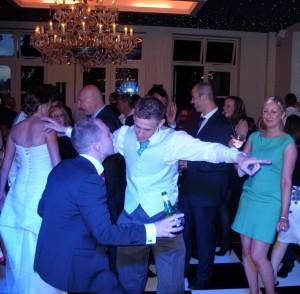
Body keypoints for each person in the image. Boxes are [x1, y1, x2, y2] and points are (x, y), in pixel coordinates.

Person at [42, 96, 270, 294]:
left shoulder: (173, 140)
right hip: (130, 218)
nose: (139, 133)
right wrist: (68, 131)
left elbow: (209, 150)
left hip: (166, 219)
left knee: (171, 285)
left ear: (161, 123)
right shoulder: (125, 134)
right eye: (137, 126)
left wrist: (238, 157)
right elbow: (98, 142)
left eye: (147, 128)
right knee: (128, 283)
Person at [34, 118, 184, 294]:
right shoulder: (91, 180)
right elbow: (105, 234)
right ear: (96, 145)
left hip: (49, 259)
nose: (113, 137)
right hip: (77, 264)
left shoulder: (63, 166)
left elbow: (42, 209)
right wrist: (154, 230)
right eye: (107, 134)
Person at [231, 96, 297, 294]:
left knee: (258, 256)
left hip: (270, 203)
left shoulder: (288, 143)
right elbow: (239, 170)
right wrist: (235, 150)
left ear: (282, 115)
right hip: (248, 197)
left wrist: (284, 214)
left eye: (274, 111)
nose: (269, 115)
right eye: (266, 111)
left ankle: (270, 291)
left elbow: (286, 181)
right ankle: (253, 291)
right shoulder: (254, 137)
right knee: (245, 252)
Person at [0, 87, 61, 293]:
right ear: (44, 105)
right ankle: (41, 286)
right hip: (41, 191)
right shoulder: (47, 128)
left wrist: (1, 192)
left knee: (20, 240)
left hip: (19, 191)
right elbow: (56, 164)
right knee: (39, 238)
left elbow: (6, 165)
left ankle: (26, 285)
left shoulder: (15, 130)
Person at [178, 83, 233, 290]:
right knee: (183, 234)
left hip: (207, 190)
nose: (191, 101)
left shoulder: (222, 124)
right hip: (189, 187)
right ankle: (180, 271)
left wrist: (187, 163)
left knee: (204, 236)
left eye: (193, 97)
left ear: (203, 97)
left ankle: (204, 277)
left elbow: (220, 162)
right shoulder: (197, 120)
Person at [77, 84, 125, 274]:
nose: (79, 105)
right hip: (109, 188)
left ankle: (112, 275)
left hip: (111, 189)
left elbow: (113, 162)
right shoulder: (100, 117)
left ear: (92, 98)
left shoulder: (106, 119)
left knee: (111, 232)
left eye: (81, 100)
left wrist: (105, 192)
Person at [216, 96, 249, 257]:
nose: (225, 108)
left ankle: (226, 242)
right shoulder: (223, 122)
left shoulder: (241, 122)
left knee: (224, 206)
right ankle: (224, 240)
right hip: (225, 168)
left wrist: (230, 144)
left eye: (229, 106)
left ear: (237, 108)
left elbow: (238, 145)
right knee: (221, 206)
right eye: (225, 105)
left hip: (234, 170)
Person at [271, 114, 300, 283]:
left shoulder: (284, 149)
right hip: (292, 198)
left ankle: (271, 276)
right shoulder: (287, 148)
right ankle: (273, 275)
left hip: (287, 198)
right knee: (283, 239)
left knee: (282, 240)